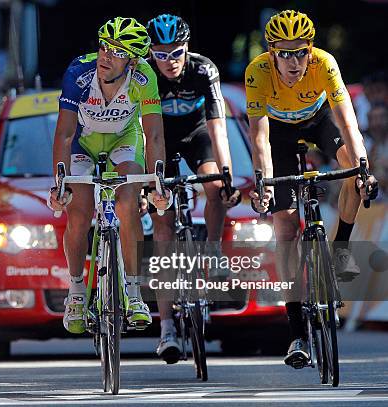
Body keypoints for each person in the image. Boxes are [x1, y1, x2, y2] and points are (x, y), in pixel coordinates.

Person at [246, 10, 378, 368]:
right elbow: (259, 138)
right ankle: (295, 332)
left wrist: (363, 168)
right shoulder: (257, 71)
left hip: (319, 121)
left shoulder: (324, 63)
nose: (294, 61)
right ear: (271, 53)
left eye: (300, 51)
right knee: (286, 228)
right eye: (284, 53)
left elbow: (348, 119)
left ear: (311, 50)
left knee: (352, 170)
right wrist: (265, 181)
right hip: (279, 135)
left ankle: (340, 251)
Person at [48, 17, 170, 334]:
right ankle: (76, 293)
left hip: (123, 140)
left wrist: (157, 183)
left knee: (128, 203)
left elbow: (153, 135)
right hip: (82, 143)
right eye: (104, 47)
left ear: (132, 61)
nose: (105, 56)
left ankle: (133, 291)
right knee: (79, 209)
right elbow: (63, 135)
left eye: (116, 52)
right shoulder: (79, 72)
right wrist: (60, 185)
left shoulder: (145, 78)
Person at [145, 13, 241, 364]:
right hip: (159, 140)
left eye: (176, 52)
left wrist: (227, 170)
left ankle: (213, 251)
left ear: (188, 49)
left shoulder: (203, 69)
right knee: (163, 224)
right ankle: (167, 327)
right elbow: (145, 134)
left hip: (196, 133)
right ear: (151, 53)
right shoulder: (145, 75)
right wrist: (149, 183)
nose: (169, 61)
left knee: (215, 187)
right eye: (161, 53)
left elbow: (217, 125)